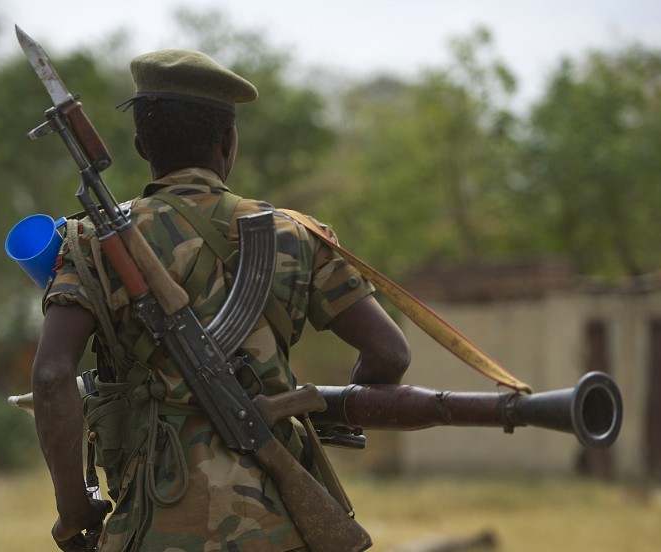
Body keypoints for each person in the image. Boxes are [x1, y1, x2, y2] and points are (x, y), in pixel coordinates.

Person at [30, 49, 410, 552]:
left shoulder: (92, 243)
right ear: (229, 141)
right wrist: (321, 417)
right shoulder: (294, 235)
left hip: (152, 526)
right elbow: (390, 353)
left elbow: (53, 375)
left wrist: (74, 508)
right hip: (278, 526)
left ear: (142, 145)